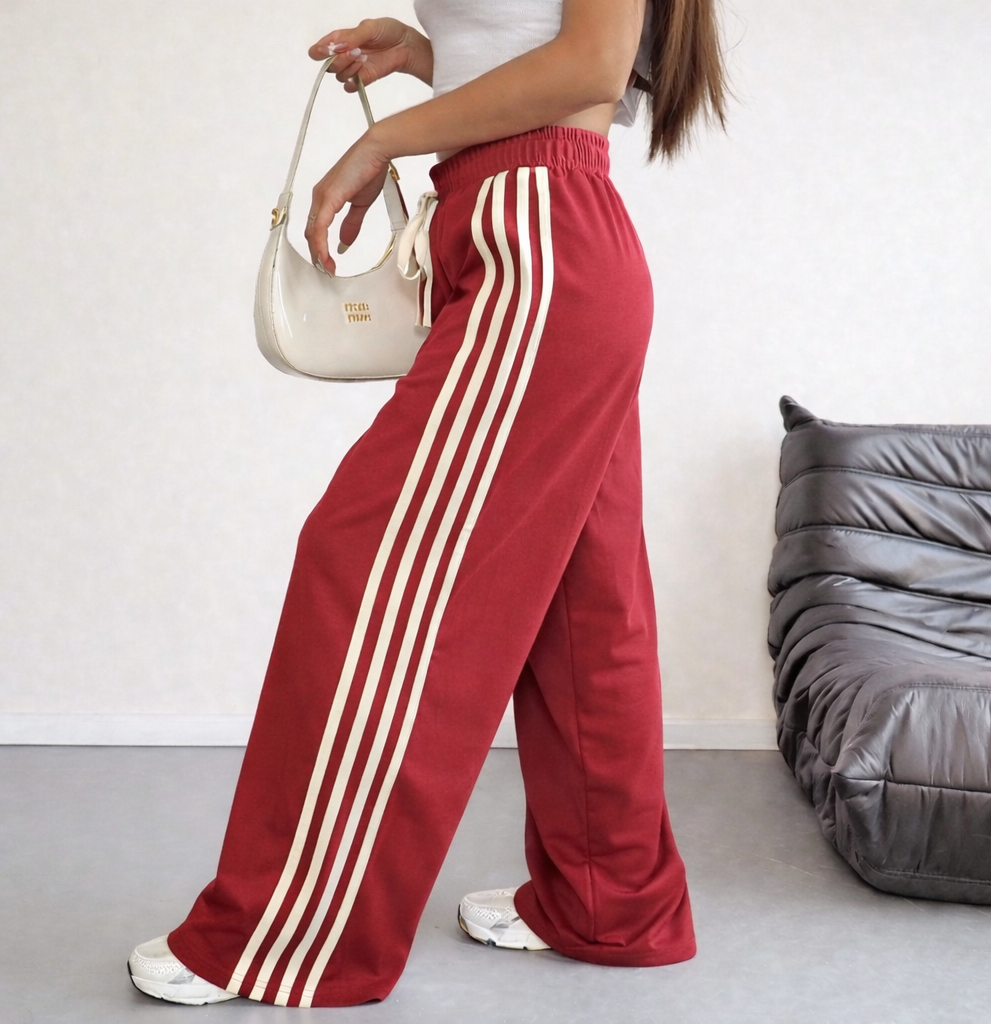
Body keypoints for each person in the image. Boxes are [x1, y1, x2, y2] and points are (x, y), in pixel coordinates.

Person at [127, 0, 727, 1008]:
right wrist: (427, 55)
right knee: (586, 611)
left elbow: (592, 64)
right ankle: (609, 901)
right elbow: (543, 45)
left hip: (536, 243)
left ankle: (288, 933)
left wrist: (383, 141)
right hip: (532, 234)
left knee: (367, 567)